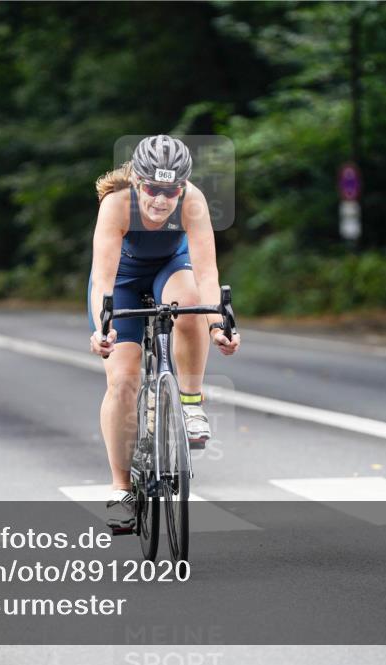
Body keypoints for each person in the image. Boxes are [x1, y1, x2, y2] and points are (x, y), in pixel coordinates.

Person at [87, 135, 240, 527]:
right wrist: (104, 329)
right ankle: (121, 487)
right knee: (123, 380)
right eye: (153, 189)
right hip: (122, 281)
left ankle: (190, 403)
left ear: (182, 187)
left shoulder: (193, 201)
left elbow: (207, 275)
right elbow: (102, 279)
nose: (160, 200)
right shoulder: (116, 205)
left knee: (189, 304)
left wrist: (218, 325)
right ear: (137, 182)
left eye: (171, 191)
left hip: (170, 270)